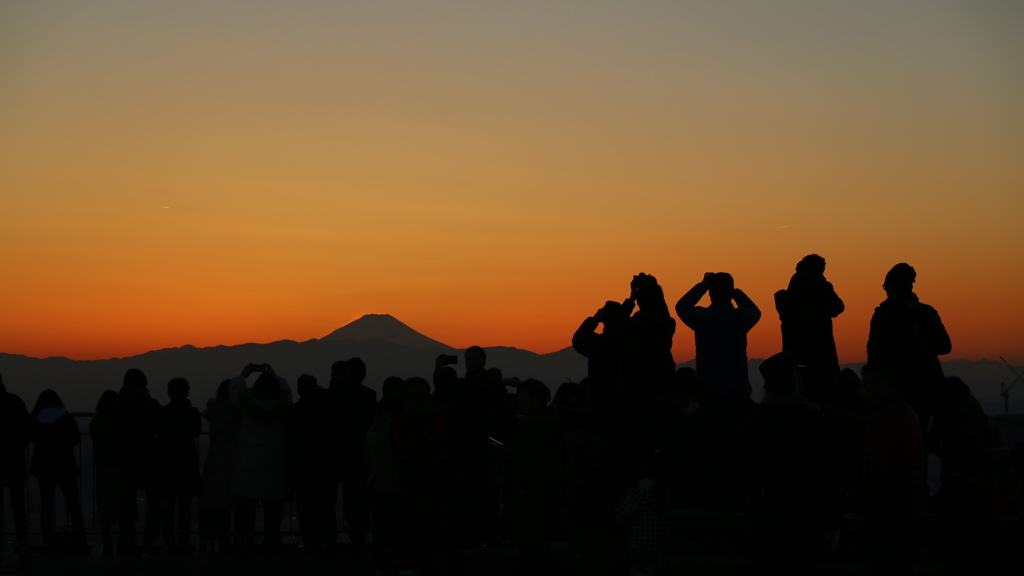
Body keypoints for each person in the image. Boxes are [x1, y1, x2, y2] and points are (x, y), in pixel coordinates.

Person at [867, 263, 951, 436]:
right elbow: (944, 346)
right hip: (926, 387)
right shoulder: (926, 312)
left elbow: (874, 356)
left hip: (894, 390)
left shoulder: (883, 316)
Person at [859, 364, 927, 574]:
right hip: (907, 513)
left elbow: (875, 472)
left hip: (891, 518)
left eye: (866, 384)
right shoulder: (904, 411)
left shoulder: (884, 418)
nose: (862, 390)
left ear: (881, 385)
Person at [229, 363, 292, 554]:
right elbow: (287, 393)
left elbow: (233, 392)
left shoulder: (246, 407)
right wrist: (275, 375)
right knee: (273, 507)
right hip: (273, 464)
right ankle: (272, 541)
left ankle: (244, 542)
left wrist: (243, 375)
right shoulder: (281, 408)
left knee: (245, 508)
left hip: (248, 464)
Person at [676, 272, 761, 400]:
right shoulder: (741, 317)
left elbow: (682, 305)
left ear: (710, 293)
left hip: (708, 391)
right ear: (730, 293)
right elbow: (755, 311)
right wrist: (736, 292)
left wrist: (703, 286)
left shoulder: (702, 317)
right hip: (738, 390)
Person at [774, 254, 845, 404]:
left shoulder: (789, 294)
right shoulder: (823, 289)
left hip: (796, 355)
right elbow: (838, 308)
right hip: (822, 356)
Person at [30, 389, 87, 556]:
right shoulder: (66, 418)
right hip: (65, 465)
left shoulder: (36, 419)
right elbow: (75, 439)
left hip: (43, 466)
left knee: (47, 506)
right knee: (73, 504)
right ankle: (81, 541)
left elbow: (32, 437)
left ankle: (48, 542)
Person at [154, 378, 202, 555]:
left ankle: (169, 542)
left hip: (166, 464)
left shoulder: (163, 413)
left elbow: (157, 431)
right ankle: (183, 542)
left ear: (169, 392)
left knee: (167, 506)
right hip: (186, 463)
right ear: (187, 392)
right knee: (185, 507)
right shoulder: (193, 413)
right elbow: (196, 431)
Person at [200, 379, 240, 552]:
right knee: (234, 501)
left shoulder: (214, 412)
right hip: (235, 459)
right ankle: (232, 539)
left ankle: (211, 536)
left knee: (214, 500)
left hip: (216, 458)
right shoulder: (240, 414)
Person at [615, 454, 671, 576]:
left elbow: (623, 515)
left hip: (641, 545)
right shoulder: (665, 491)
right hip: (661, 544)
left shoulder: (638, 491)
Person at [0, 374, 31, 561]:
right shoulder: (15, 401)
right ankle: (23, 543)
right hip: (15, 460)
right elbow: (26, 429)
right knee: (18, 505)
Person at [90, 390, 122, 556]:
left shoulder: (96, 422)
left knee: (104, 506)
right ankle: (124, 542)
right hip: (120, 467)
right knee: (123, 505)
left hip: (102, 467)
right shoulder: (121, 423)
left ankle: (107, 540)